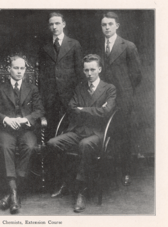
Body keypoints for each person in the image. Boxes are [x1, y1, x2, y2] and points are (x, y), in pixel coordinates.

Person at [46, 54, 116, 213]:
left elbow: (106, 112)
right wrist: (94, 110)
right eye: (86, 70)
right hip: (77, 131)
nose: (89, 73)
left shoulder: (109, 89)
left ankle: (81, 190)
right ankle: (66, 181)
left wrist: (82, 110)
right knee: (52, 143)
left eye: (92, 69)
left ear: (99, 69)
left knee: (85, 145)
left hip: (97, 134)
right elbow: (71, 109)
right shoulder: (79, 87)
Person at [0, 55, 45, 214]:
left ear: (25, 70)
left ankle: (12, 193)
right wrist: (6, 119)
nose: (19, 71)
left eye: (22, 68)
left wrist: (26, 119)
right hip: (6, 130)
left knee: (29, 146)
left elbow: (40, 110)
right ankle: (15, 194)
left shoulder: (32, 88)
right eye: (16, 68)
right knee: (6, 147)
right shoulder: (0, 89)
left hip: (26, 129)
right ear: (9, 69)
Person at [97, 11, 142, 186]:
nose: (107, 27)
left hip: (123, 98)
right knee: (105, 133)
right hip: (103, 98)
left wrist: (125, 91)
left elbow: (136, 75)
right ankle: (108, 170)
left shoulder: (128, 46)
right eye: (104, 25)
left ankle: (125, 172)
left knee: (124, 134)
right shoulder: (98, 45)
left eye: (110, 24)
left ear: (117, 26)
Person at [39, 12, 83, 140]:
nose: (54, 27)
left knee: (69, 127)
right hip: (50, 96)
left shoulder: (74, 44)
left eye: (57, 23)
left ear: (63, 24)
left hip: (69, 96)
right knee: (51, 128)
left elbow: (80, 73)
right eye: (51, 24)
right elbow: (42, 74)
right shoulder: (44, 47)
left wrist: (77, 96)